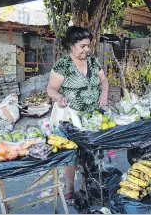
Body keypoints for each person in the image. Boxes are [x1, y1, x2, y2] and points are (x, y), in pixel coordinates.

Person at [47, 26, 109, 203]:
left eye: (88, 46)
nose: (86, 49)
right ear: (72, 45)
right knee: (72, 152)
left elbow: (103, 80)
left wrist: (104, 93)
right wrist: (59, 97)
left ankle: (86, 183)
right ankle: (69, 187)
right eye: (82, 46)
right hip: (71, 116)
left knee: (91, 150)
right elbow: (51, 89)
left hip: (92, 116)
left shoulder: (93, 62)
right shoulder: (63, 65)